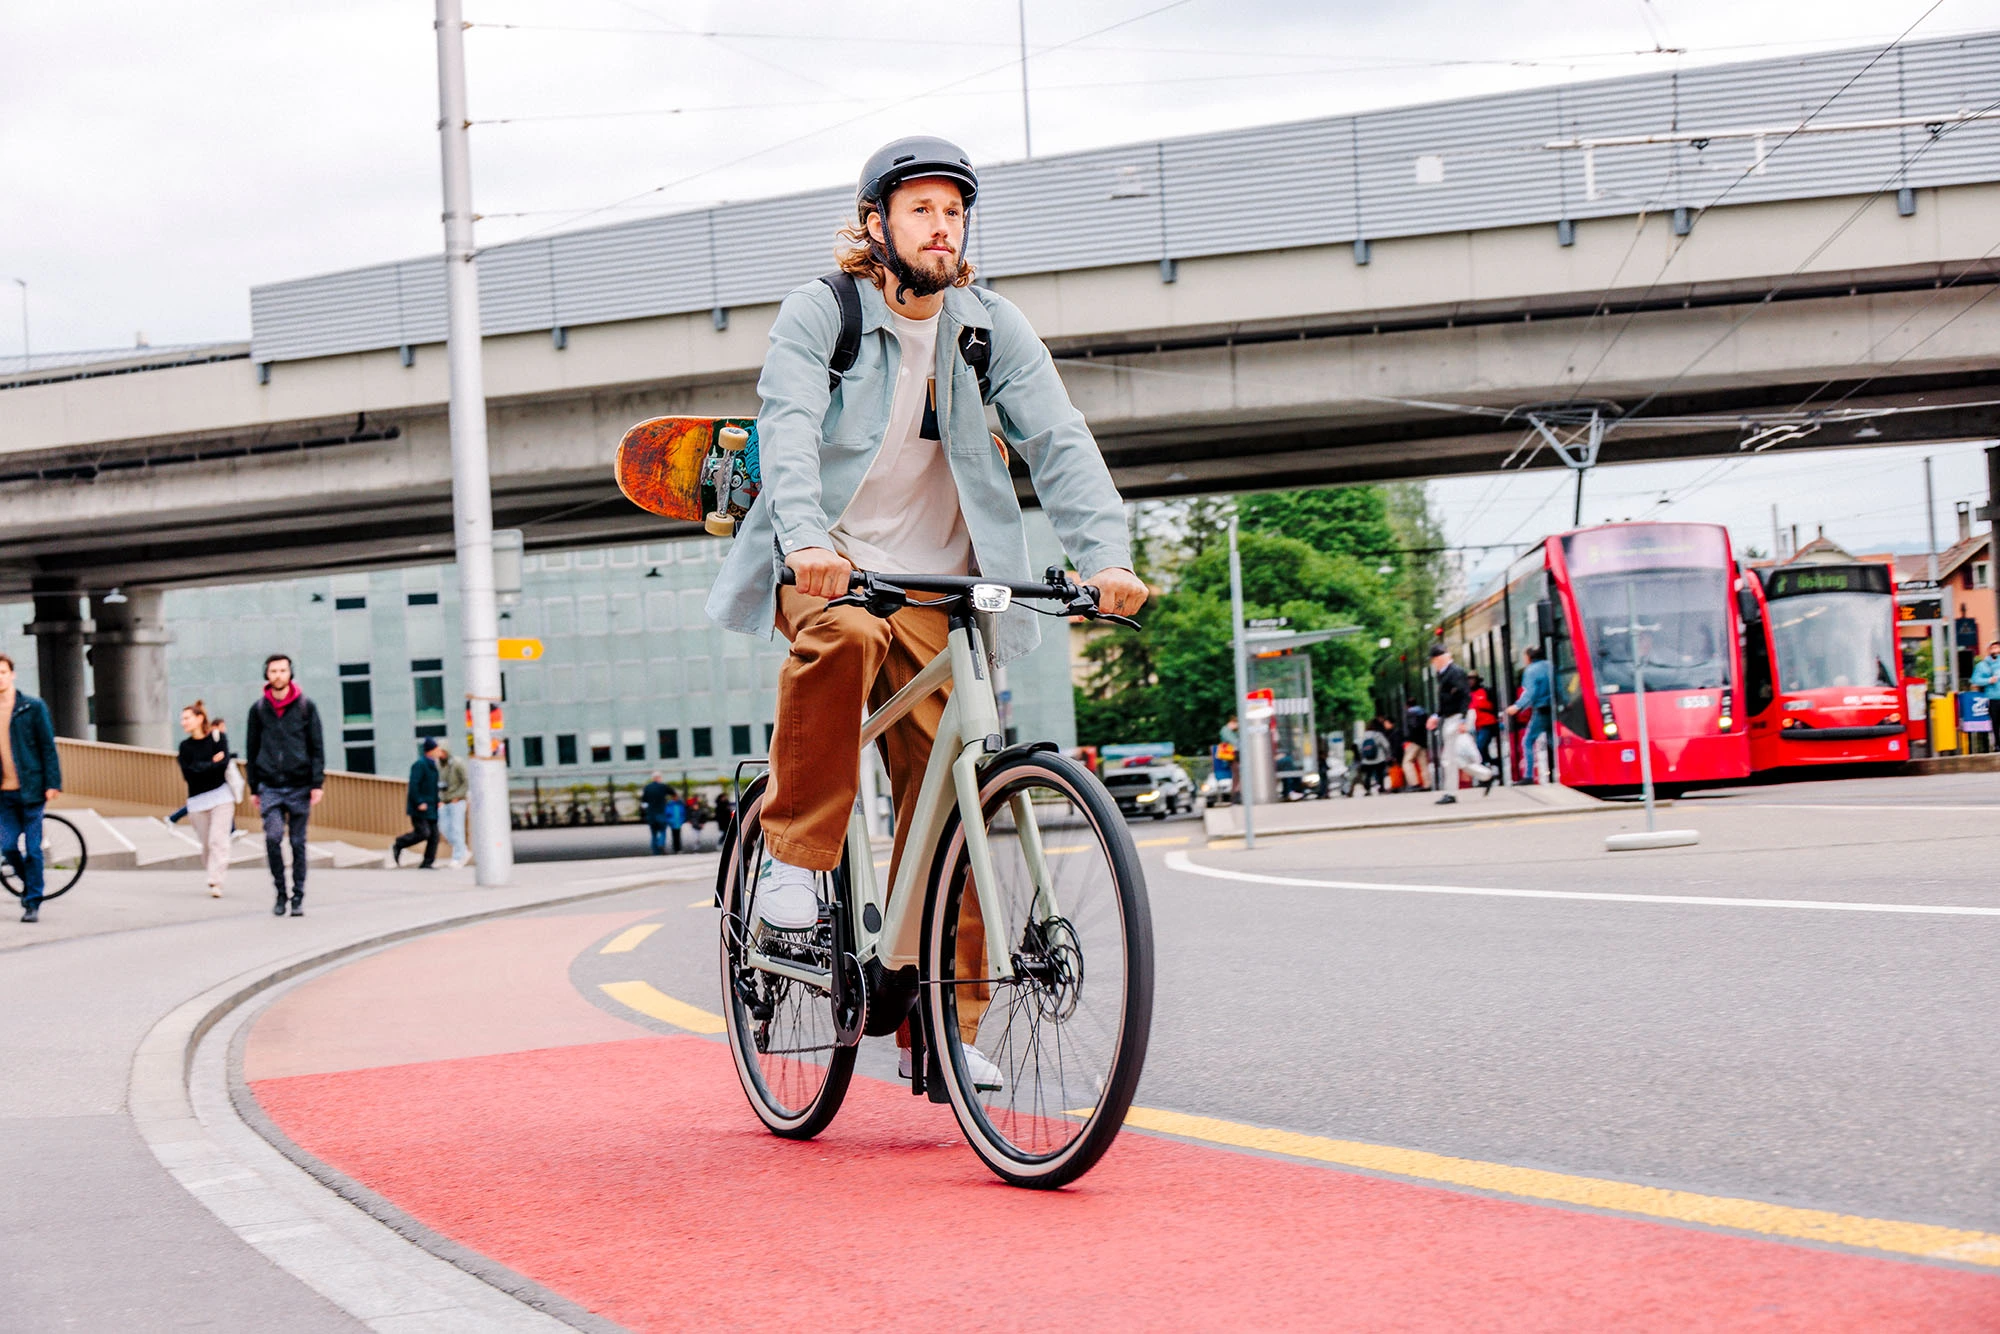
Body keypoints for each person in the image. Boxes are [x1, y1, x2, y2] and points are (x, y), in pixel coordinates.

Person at [704, 136, 1143, 1088]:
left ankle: (946, 1023)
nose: (942, 227)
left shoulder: (990, 327)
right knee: (844, 637)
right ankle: (793, 856)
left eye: (954, 212)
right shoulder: (824, 314)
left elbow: (1059, 441)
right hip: (827, 567)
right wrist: (808, 542)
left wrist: (1105, 557)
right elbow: (783, 429)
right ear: (876, 226)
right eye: (921, 211)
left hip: (944, 587)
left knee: (958, 797)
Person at [245, 653, 325, 917]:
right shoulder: (258, 710)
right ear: (266, 675)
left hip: (300, 784)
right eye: (273, 671)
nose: (278, 675)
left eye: (282, 670)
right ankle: (280, 892)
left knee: (298, 843)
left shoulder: (306, 707)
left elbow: (316, 746)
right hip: (269, 784)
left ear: (290, 673)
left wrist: (316, 782)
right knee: (273, 837)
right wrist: (254, 787)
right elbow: (252, 747)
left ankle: (298, 896)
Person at [0, 654, 62, 924]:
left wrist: (53, 782)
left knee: (34, 849)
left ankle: (33, 902)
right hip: (4, 792)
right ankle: (30, 887)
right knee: (8, 846)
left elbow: (47, 746)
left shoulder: (32, 707)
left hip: (33, 789)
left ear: (12, 674)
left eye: (2, 671)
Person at [1425, 644, 1496, 804]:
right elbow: (1445, 700)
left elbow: (1465, 697)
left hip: (1457, 718)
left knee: (1449, 758)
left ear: (1439, 658)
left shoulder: (1455, 673)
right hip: (1453, 717)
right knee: (1453, 757)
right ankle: (1485, 775)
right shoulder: (1444, 674)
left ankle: (1452, 792)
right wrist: (1437, 715)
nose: (1433, 663)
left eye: (1434, 660)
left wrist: (1463, 720)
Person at [177, 702, 234, 897]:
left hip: (221, 797)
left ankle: (216, 881)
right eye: (182, 719)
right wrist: (211, 763)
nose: (183, 722)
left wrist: (202, 767)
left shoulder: (218, 739)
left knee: (218, 840)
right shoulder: (185, 747)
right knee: (207, 844)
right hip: (197, 801)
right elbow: (189, 774)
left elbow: (223, 764)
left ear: (200, 718)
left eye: (187, 718)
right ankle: (213, 874)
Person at [390, 738, 441, 868]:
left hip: (432, 806)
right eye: (437, 749)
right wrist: (419, 801)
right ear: (431, 751)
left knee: (434, 836)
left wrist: (438, 801)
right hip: (420, 807)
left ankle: (427, 863)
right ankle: (399, 843)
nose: (439, 752)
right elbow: (414, 785)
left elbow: (433, 787)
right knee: (423, 832)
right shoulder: (420, 765)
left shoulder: (433, 766)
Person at [1511, 644, 1556, 784]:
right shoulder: (1550, 665)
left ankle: (1529, 775)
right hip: (1553, 709)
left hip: (1541, 709)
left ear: (1529, 657)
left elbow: (1530, 692)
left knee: (1528, 741)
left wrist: (1517, 706)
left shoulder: (1531, 670)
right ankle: (1562, 768)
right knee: (1552, 740)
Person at [435, 743, 470, 869]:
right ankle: (463, 850)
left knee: (457, 829)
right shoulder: (438, 765)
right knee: (444, 827)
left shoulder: (457, 763)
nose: (440, 754)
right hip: (444, 800)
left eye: (442, 751)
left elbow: (466, 781)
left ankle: (458, 856)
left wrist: (459, 796)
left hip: (457, 800)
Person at [1469, 673, 1500, 768]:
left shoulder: (1485, 691)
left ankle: (1489, 764)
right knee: (1479, 749)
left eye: (1472, 679)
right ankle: (1489, 764)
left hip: (1487, 723)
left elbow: (1494, 706)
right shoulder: (1467, 694)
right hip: (1474, 726)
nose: (1470, 681)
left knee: (1480, 746)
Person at [1401, 700, 1431, 791]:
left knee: (1407, 762)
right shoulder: (1423, 713)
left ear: (1407, 706)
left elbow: (1411, 727)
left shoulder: (1410, 713)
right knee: (1423, 764)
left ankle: (1414, 784)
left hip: (1414, 741)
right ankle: (1427, 784)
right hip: (1423, 741)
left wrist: (1408, 738)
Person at [1355, 720, 1391, 795]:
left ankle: (1368, 790)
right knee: (1380, 774)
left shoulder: (1364, 736)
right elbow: (1386, 745)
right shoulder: (1378, 734)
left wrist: (1362, 757)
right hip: (1379, 759)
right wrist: (1387, 755)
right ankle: (1381, 788)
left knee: (1368, 775)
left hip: (1367, 760)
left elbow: (1360, 748)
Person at [640, 772, 671, 855]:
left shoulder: (647, 787)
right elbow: (674, 794)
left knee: (653, 834)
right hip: (661, 812)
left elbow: (643, 802)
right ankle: (661, 843)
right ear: (659, 778)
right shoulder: (663, 786)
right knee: (663, 830)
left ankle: (655, 851)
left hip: (651, 814)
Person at [663, 787, 689, 854]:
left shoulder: (680, 805)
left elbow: (683, 814)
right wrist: (670, 821)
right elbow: (667, 814)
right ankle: (676, 848)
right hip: (673, 823)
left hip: (678, 823)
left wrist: (682, 820)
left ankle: (678, 848)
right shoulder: (670, 805)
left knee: (678, 836)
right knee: (674, 836)